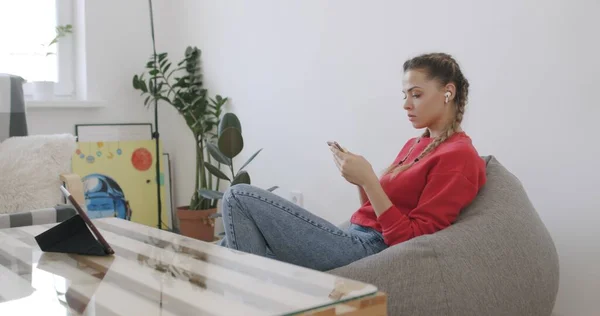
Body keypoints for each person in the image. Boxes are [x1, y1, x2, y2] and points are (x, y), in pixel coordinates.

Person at [217, 52, 487, 272]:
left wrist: (369, 179)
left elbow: (413, 242)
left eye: (416, 94)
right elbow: (376, 213)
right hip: (356, 236)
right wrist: (360, 180)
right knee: (227, 241)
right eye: (404, 95)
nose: (406, 104)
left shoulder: (458, 156)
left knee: (238, 197)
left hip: (368, 249)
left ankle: (249, 302)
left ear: (448, 92)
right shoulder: (416, 143)